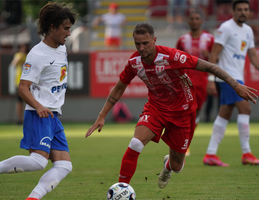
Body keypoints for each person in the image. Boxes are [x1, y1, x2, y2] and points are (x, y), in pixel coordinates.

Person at [85, 22, 257, 189]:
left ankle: (168, 166)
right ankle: (122, 188)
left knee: (177, 166)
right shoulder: (134, 63)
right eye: (138, 44)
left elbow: (209, 66)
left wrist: (235, 85)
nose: (141, 47)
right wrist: (101, 116)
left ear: (154, 40)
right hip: (156, 108)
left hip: (183, 111)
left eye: (145, 43)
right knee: (136, 143)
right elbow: (118, 89)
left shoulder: (172, 56)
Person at [0, 2, 77, 200]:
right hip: (39, 113)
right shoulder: (37, 54)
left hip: (53, 116)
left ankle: (33, 198)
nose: (68, 33)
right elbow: (22, 88)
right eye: (65, 29)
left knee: (64, 165)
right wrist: (39, 106)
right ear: (52, 27)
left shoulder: (61, 48)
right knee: (37, 162)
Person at [203, 0, 259, 166]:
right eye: (240, 9)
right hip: (227, 77)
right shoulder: (225, 28)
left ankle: (210, 154)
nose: (243, 12)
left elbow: (253, 57)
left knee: (225, 113)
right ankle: (246, 153)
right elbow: (213, 55)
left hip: (238, 78)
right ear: (233, 11)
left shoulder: (248, 30)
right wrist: (211, 79)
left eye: (246, 10)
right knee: (245, 108)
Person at [176, 9, 214, 156]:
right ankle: (183, 145)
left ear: (201, 21)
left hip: (202, 82)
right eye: (191, 18)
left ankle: (185, 143)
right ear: (188, 21)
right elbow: (175, 59)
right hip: (186, 82)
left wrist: (211, 79)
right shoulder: (182, 39)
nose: (194, 21)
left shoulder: (209, 39)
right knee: (186, 113)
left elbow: (215, 59)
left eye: (197, 18)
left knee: (195, 114)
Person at [11, 43, 29, 125]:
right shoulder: (18, 55)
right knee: (19, 102)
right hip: (19, 82)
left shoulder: (29, 56)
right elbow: (14, 64)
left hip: (28, 82)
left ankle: (30, 119)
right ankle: (20, 119)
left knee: (30, 102)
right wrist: (21, 55)